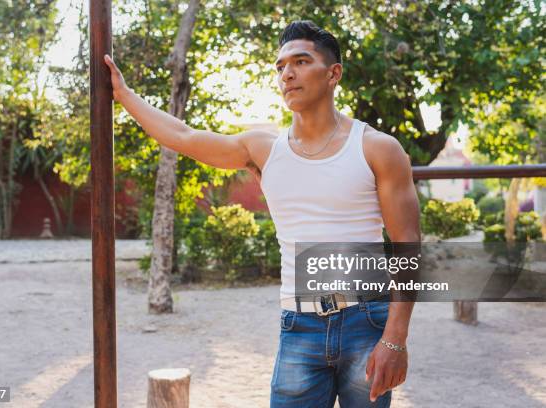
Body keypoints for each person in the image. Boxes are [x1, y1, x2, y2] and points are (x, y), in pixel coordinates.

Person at [104, 19, 419, 408]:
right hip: (299, 324)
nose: (288, 73)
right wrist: (126, 96)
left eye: (302, 61)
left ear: (333, 73)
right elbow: (184, 137)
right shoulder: (264, 148)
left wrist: (395, 339)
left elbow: (408, 249)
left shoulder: (378, 148)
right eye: (281, 66)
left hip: (367, 320)